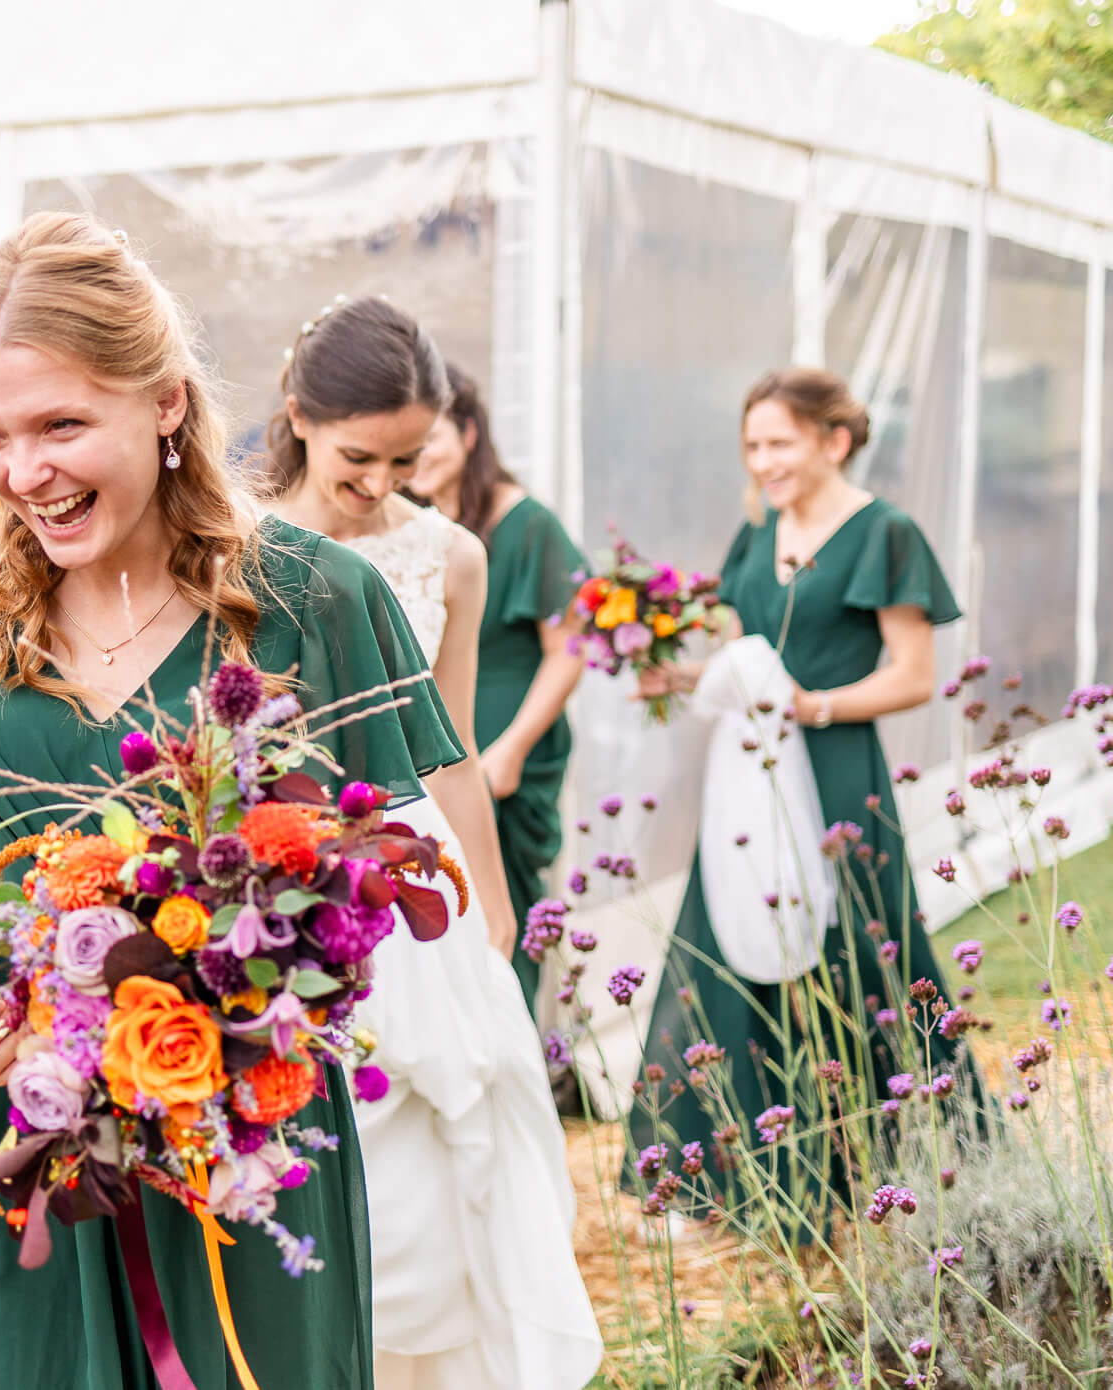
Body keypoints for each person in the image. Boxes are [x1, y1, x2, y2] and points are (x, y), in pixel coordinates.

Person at [0, 214, 469, 1390]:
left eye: (62, 425)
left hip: (233, 1125)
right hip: (17, 1128)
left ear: (169, 403)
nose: (22, 473)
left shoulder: (315, 597)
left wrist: (245, 980)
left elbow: (375, 888)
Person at [264, 296, 601, 1390]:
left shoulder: (451, 554)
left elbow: (448, 750)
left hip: (406, 883)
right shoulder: (226, 537)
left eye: (407, 461)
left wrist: (489, 902)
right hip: (262, 865)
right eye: (361, 457)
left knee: (426, 1166)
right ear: (298, 413)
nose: (379, 485)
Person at [630, 366, 972, 1228]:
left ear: (835, 440)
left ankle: (899, 1159)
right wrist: (669, 671)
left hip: (836, 773)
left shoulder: (883, 533)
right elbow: (743, 653)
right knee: (726, 949)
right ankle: (745, 1178)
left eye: (778, 442)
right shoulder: (756, 533)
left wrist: (811, 706)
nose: (763, 461)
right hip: (747, 776)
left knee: (858, 952)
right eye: (751, 445)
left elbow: (913, 675)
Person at [407, 364, 587, 1015]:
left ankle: (517, 1050)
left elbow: (569, 650)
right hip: (435, 750)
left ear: (469, 433)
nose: (417, 457)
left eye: (431, 439)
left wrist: (507, 752)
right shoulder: (411, 528)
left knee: (503, 903)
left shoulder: (527, 523)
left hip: (506, 752)